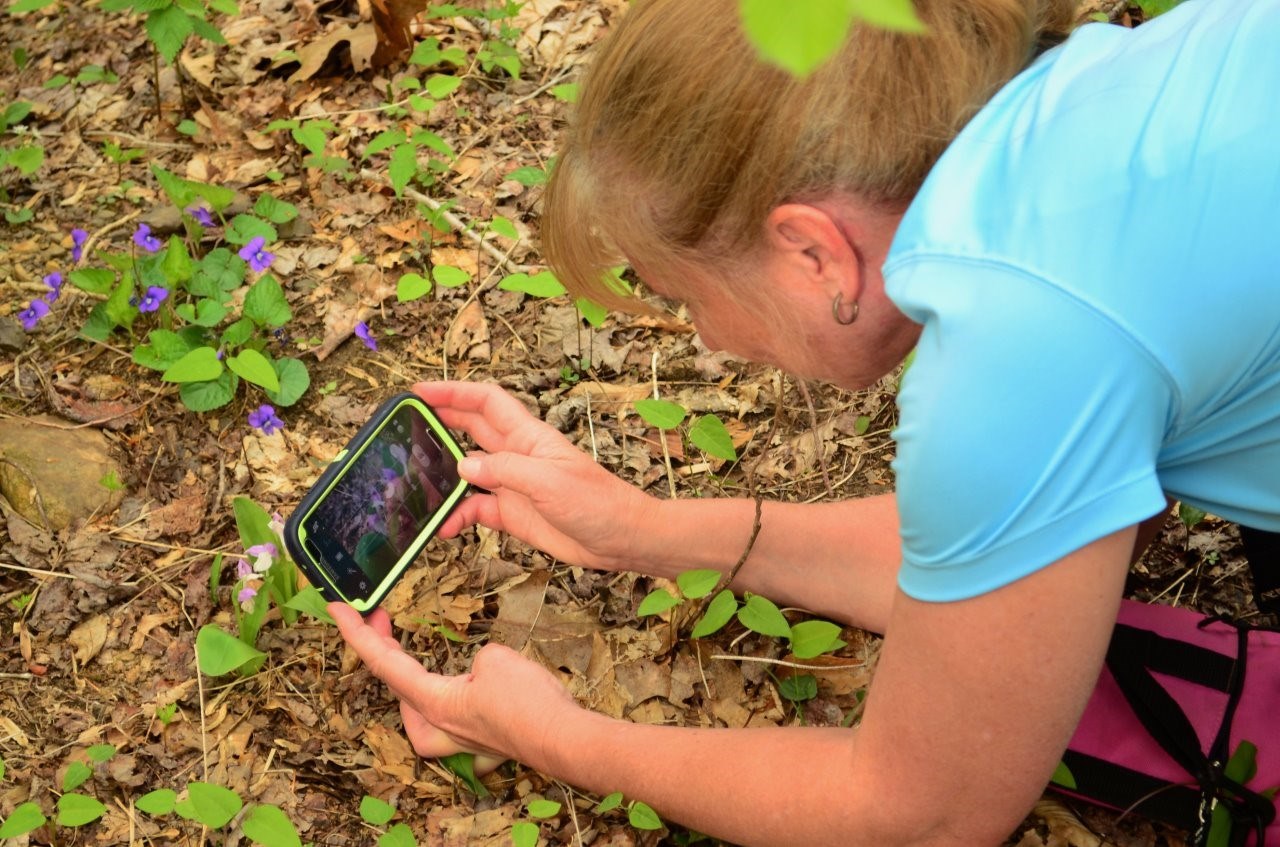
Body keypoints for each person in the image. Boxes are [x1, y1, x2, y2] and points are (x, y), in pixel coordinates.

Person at [328, 0, 1280, 843]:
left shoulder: (1022, 341)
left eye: (683, 296)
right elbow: (1003, 560)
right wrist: (644, 532)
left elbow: (926, 811)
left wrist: (556, 737)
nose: (703, 338)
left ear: (814, 252)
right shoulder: (1116, 89)